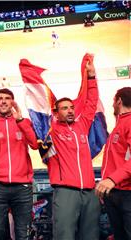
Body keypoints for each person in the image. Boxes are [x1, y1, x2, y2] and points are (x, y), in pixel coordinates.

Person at [47, 56, 100, 239]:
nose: (69, 110)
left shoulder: (82, 125)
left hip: (90, 191)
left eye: (71, 107)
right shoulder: (52, 132)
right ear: (56, 112)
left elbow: (91, 103)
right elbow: (36, 139)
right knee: (64, 236)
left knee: (91, 236)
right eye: (64, 108)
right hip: (66, 192)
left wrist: (91, 77)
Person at [0, 88, 39, 240]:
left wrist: (20, 121)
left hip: (22, 186)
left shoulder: (24, 122)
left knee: (23, 234)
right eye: (0, 98)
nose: (4, 101)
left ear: (12, 102)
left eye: (7, 98)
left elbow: (34, 144)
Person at [95, 87, 131, 240]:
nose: (112, 106)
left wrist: (112, 179)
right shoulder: (119, 126)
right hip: (114, 192)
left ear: (119, 101)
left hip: (127, 193)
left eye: (113, 101)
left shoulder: (129, 123)